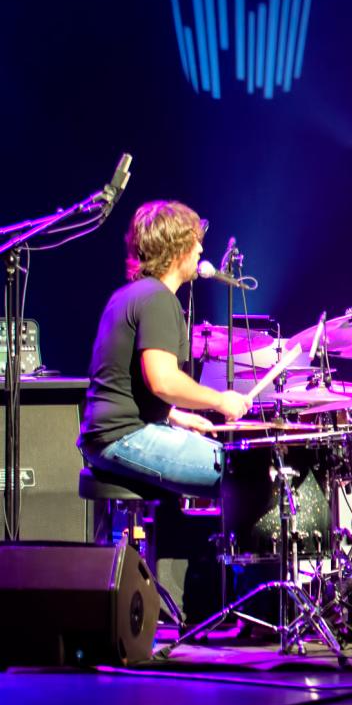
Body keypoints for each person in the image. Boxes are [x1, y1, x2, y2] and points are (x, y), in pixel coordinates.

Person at [79, 201, 251, 496]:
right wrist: (220, 401)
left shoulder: (129, 295)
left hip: (108, 434)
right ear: (177, 248)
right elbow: (162, 380)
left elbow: (124, 382)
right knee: (243, 474)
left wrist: (173, 415)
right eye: (195, 241)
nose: (200, 250)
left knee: (236, 461)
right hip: (122, 437)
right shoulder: (157, 298)